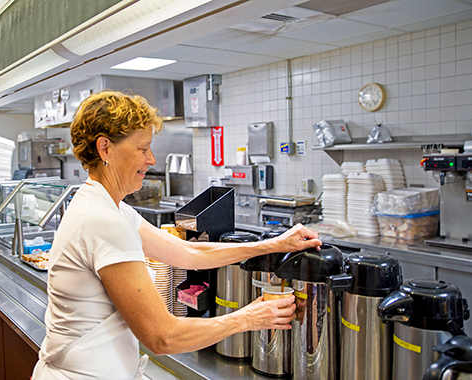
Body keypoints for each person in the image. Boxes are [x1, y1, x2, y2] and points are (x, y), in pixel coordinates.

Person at [31, 91, 322, 379]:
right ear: (105, 148)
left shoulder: (111, 208)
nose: (151, 159)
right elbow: (162, 337)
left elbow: (189, 253)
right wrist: (249, 318)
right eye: (142, 149)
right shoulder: (103, 220)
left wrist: (274, 244)